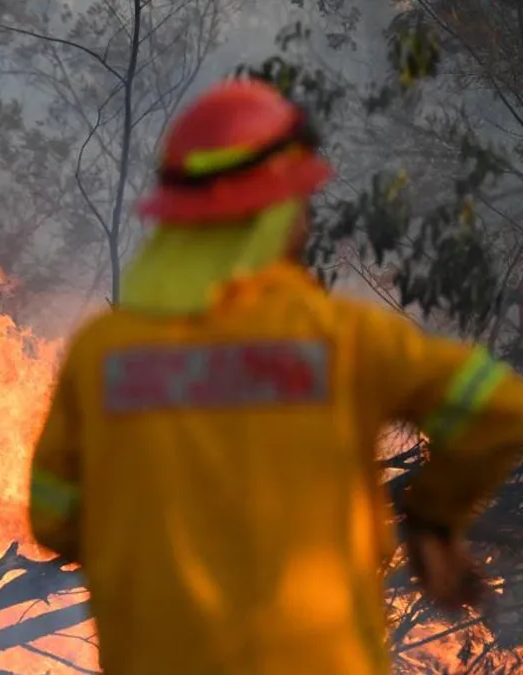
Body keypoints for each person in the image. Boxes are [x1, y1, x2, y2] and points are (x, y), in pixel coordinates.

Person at [27, 78, 523, 675]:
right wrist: (435, 518)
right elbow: (499, 409)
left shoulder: (102, 354)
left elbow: (53, 516)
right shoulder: (343, 341)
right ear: (278, 213)